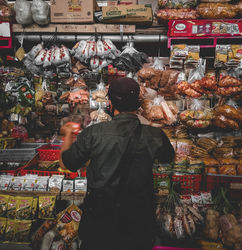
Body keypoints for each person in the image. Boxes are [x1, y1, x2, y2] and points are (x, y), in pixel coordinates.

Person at [59, 77, 175, 250]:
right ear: (138, 103)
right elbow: (168, 158)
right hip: (138, 219)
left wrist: (68, 134)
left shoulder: (93, 133)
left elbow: (68, 163)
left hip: (100, 218)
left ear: (110, 103)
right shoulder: (154, 135)